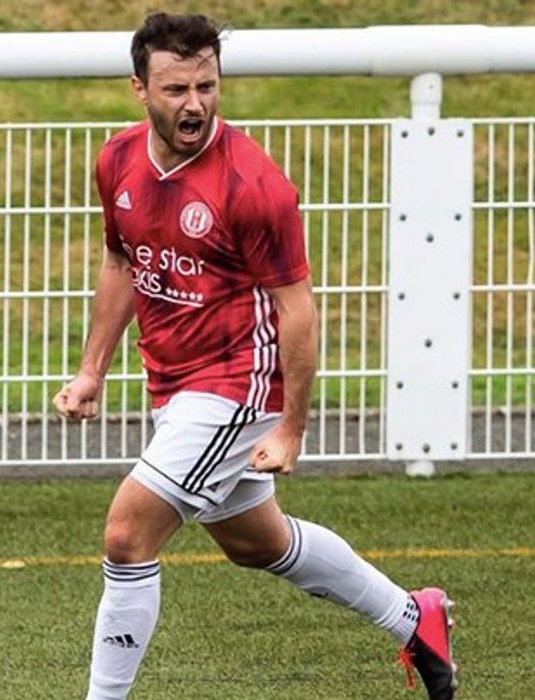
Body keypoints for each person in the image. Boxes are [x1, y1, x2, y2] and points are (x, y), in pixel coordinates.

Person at [52, 14, 455, 700]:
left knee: (126, 535)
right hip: (174, 385)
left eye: (206, 86)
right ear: (138, 90)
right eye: (175, 88)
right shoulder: (115, 160)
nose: (194, 104)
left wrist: (289, 425)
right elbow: (121, 260)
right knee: (256, 544)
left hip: (238, 383)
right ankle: (413, 618)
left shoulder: (252, 184)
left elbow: (296, 309)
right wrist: (93, 367)